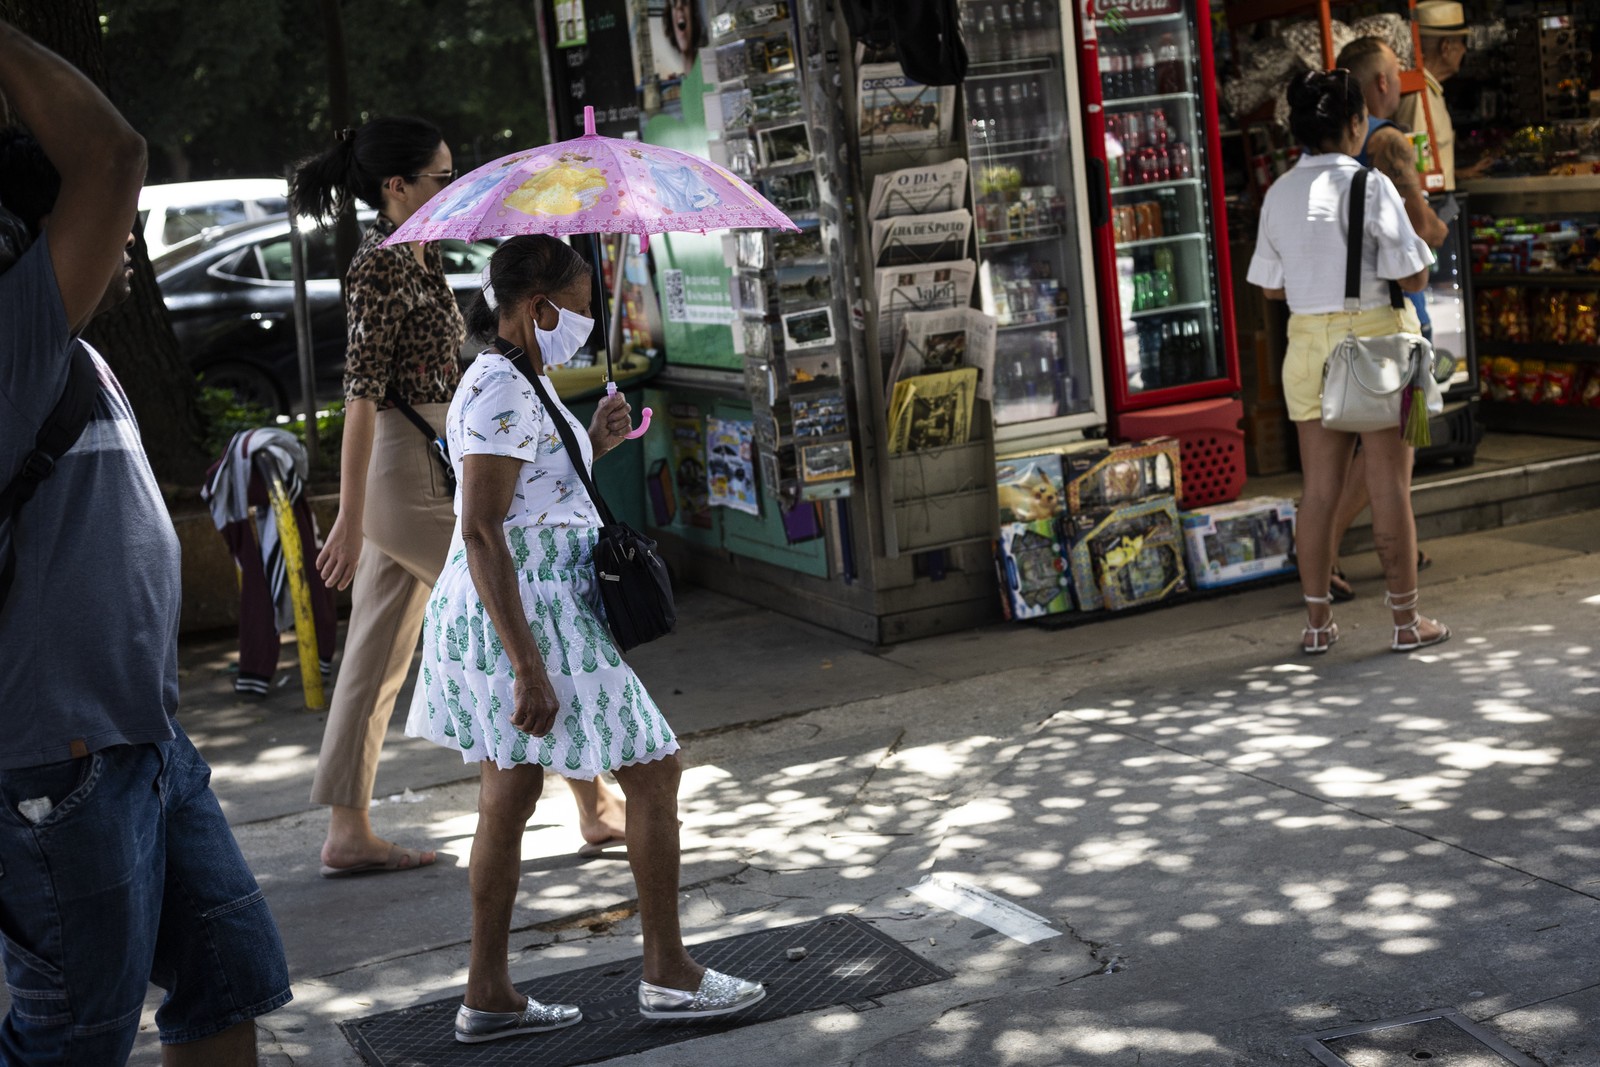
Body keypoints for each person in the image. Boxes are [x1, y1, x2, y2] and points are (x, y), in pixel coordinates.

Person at [0, 20, 291, 1066]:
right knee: (73, 1038)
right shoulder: (10, 341)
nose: (129, 244)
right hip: (60, 758)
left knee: (227, 978)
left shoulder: (66, 351)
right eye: (106, 229)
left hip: (141, 740)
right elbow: (113, 152)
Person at [406, 236, 764, 1043]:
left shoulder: (515, 378)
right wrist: (529, 666)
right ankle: (668, 974)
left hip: (521, 602)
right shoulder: (500, 386)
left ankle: (488, 993)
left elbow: (532, 492)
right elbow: (484, 530)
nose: (589, 319)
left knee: (510, 791)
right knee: (654, 765)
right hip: (530, 610)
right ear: (538, 309)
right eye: (580, 304)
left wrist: (592, 443)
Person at [292, 120, 629, 877]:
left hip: (431, 456)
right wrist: (348, 513)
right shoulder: (379, 267)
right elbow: (359, 397)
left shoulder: (421, 253)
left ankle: (346, 828)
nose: (454, 185)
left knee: (374, 653)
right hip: (400, 469)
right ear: (396, 187)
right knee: (523, 597)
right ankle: (597, 801)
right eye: (441, 176)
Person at [1247, 68, 1450, 655]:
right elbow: (1413, 274)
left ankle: (1316, 626)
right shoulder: (1373, 185)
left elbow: (1271, 289)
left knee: (1319, 490)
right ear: (1357, 122)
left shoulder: (1279, 193)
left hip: (1308, 347)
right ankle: (1407, 623)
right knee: (1390, 485)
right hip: (1382, 345)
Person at [1325, 35, 1453, 601]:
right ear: (1381, 84)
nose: (1402, 81)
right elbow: (1426, 230)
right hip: (1400, 317)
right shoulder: (1390, 142)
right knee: (1395, 444)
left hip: (1345, 313)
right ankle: (1323, 546)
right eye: (1398, 73)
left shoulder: (1332, 150)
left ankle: (1396, 542)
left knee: (1382, 445)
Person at [1395, 1, 1486, 192]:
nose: (1464, 50)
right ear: (1446, 47)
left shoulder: (1430, 92)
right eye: (1462, 42)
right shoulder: (1419, 97)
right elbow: (1416, 167)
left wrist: (1457, 173)